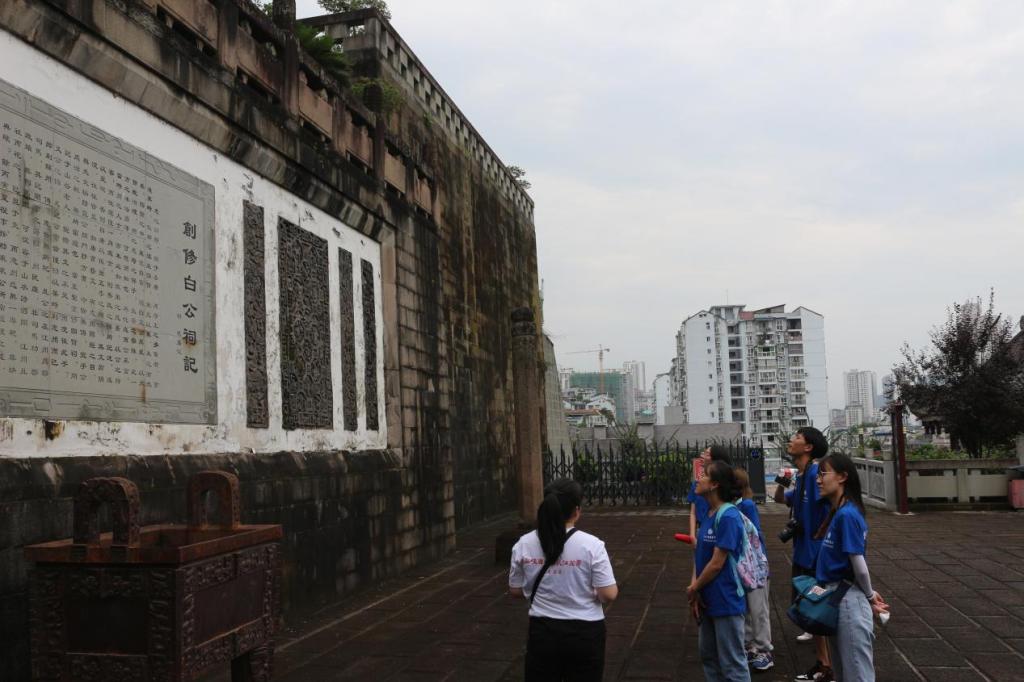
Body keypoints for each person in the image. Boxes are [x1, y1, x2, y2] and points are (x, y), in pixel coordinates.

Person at [509, 479, 618, 681]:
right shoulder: (592, 545)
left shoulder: (524, 543)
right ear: (576, 511)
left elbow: (515, 590)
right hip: (585, 633)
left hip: (542, 631)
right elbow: (608, 593)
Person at [815, 453, 889, 682]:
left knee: (856, 673)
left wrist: (869, 595)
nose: (818, 480)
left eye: (823, 473)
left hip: (847, 600)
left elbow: (859, 565)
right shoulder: (842, 512)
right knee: (846, 672)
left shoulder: (847, 514)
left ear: (842, 477)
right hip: (840, 597)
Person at [772, 427, 833, 682]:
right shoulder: (802, 474)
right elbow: (781, 500)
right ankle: (824, 663)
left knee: (815, 607)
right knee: (810, 608)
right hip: (803, 552)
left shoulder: (816, 474)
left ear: (808, 447)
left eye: (797, 437)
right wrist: (781, 484)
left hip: (814, 554)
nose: (791, 439)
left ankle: (825, 666)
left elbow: (836, 502)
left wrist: (822, 532)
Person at [687, 460, 751, 682]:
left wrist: (694, 587)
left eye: (704, 475)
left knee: (732, 663)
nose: (698, 478)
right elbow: (700, 555)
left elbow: (716, 563)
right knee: (709, 658)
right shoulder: (709, 513)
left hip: (726, 597)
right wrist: (695, 588)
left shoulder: (729, 517)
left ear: (714, 484)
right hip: (707, 597)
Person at [734, 467, 773, 673]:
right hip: (746, 566)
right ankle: (751, 645)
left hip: (755, 566)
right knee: (748, 609)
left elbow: (755, 534)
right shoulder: (736, 505)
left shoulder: (746, 505)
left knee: (759, 609)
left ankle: (764, 649)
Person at [688, 444, 733, 541]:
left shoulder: (728, 515)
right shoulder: (698, 485)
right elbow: (693, 512)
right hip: (703, 529)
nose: (702, 456)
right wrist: (692, 535)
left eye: (707, 454)